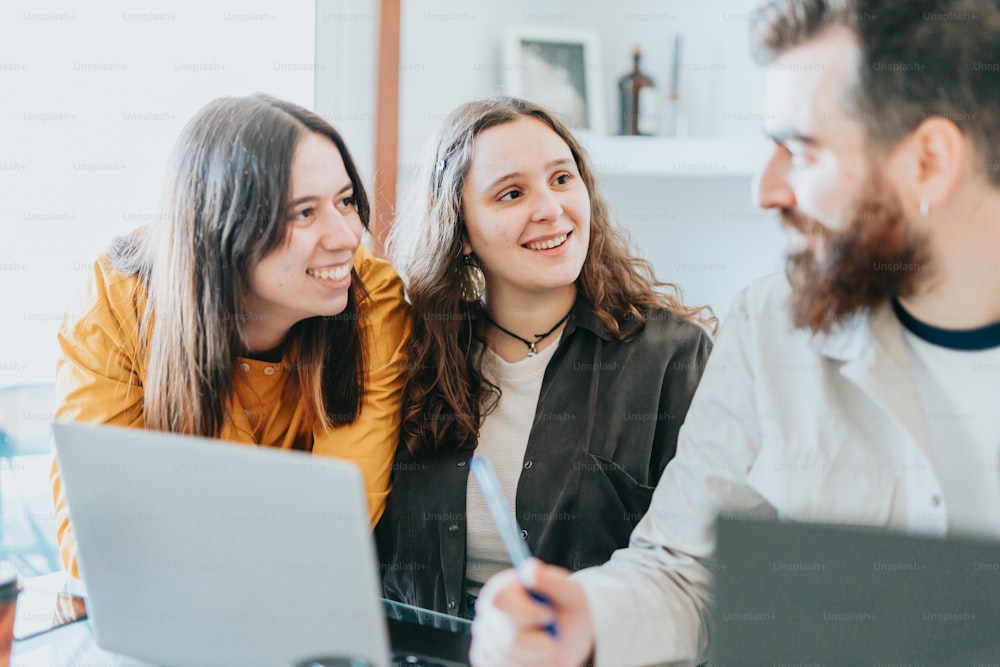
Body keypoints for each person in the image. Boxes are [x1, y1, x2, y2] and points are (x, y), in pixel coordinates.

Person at [469, 0, 1000, 664]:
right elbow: (686, 572)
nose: (764, 189)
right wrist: (589, 615)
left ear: (929, 163)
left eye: (800, 150)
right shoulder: (770, 323)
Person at [376, 96, 715, 618]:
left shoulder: (674, 358)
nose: (550, 210)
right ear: (461, 231)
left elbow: (701, 571)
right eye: (511, 193)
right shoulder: (409, 350)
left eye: (562, 179)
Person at [51, 94, 409, 578]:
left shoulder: (370, 298)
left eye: (345, 201)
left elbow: (336, 520)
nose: (347, 236)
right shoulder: (117, 300)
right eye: (303, 213)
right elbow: (99, 541)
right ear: (222, 230)